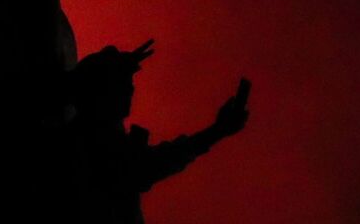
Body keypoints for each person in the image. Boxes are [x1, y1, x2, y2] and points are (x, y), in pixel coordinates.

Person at [66, 42, 252, 224]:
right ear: (101, 93)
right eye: (122, 82)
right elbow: (151, 166)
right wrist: (216, 131)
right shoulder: (94, 142)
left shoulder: (90, 132)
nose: (131, 88)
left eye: (129, 81)